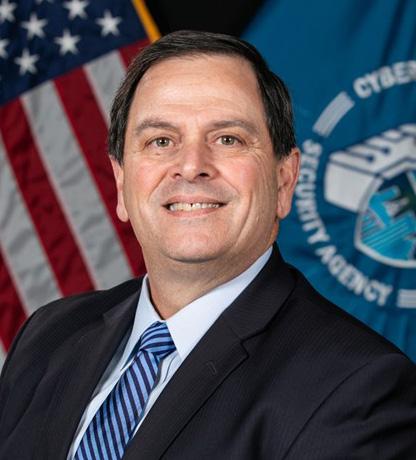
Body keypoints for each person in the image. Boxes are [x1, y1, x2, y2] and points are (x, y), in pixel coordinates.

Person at [0, 30, 415, 460]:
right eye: (161, 141)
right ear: (122, 184)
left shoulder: (359, 388)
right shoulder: (48, 336)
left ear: (284, 180)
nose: (191, 166)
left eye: (228, 139)